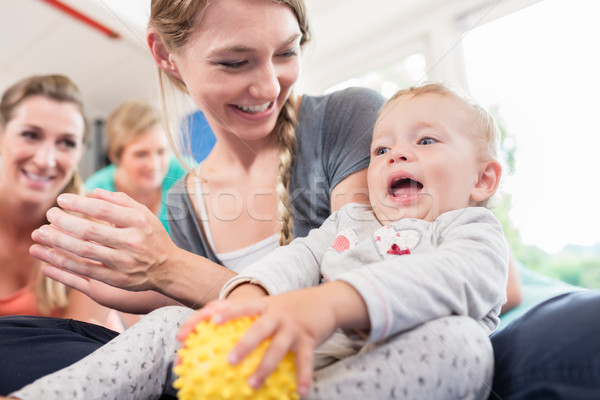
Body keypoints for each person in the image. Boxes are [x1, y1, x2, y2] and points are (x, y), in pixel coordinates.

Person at [0, 0, 385, 395]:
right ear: (166, 55)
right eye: (235, 61)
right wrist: (147, 291)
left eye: (287, 52)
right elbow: (212, 345)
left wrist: (170, 270)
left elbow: (366, 308)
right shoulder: (184, 200)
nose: (270, 85)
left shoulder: (346, 120)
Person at [178, 82, 508, 398]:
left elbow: (451, 275)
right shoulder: (351, 224)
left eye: (425, 141)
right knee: (176, 323)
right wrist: (251, 293)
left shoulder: (472, 231)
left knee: (464, 347)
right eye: (381, 149)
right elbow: (303, 255)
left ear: (482, 179)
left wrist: (335, 303)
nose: (397, 155)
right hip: (302, 363)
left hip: (387, 370)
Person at [0, 74, 125, 327]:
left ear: (80, 152)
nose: (46, 160)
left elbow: (78, 350)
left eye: (66, 143)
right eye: (30, 135)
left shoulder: (90, 235)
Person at [84, 100, 187, 235]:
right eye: (141, 154)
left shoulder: (186, 173)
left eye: (161, 151)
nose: (154, 165)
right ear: (115, 156)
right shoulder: (95, 194)